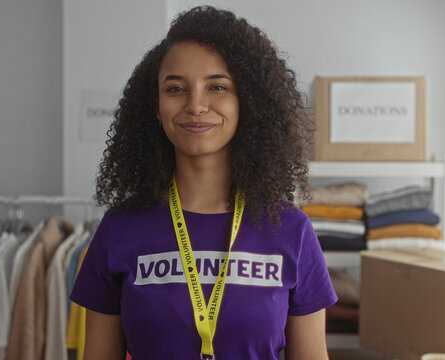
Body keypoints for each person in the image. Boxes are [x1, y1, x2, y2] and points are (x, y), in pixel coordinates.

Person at [70, 6, 337, 360]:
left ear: (248, 102)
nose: (196, 105)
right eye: (176, 88)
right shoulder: (119, 229)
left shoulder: (290, 230)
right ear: (156, 105)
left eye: (218, 86)